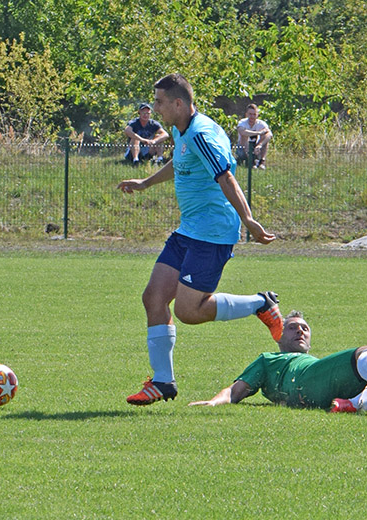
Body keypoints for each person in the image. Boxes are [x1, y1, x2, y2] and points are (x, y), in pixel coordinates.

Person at [117, 73, 280, 406]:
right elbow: (181, 162)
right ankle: (162, 382)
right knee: (154, 297)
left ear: (178, 103)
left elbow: (226, 177)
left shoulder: (202, 134)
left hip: (212, 234)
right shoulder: (183, 129)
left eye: (160, 102)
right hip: (189, 229)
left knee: (189, 311)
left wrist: (248, 220)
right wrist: (146, 183)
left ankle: (261, 304)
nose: (156, 108)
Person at [188, 310, 367, 413]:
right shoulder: (269, 360)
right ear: (278, 336)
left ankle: (357, 401)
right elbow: (235, 390)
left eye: (305, 328)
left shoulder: (314, 362)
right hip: (304, 383)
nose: (300, 331)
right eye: (292, 328)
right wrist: (213, 403)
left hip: (327, 387)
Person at [236, 104, 272, 170]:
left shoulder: (261, 123)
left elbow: (269, 134)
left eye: (254, 114)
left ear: (257, 115)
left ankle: (261, 162)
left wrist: (260, 145)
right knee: (244, 136)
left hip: (256, 147)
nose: (252, 117)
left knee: (265, 139)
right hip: (242, 148)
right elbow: (242, 132)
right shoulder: (242, 122)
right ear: (246, 114)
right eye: (250, 114)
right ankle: (250, 161)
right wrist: (259, 132)